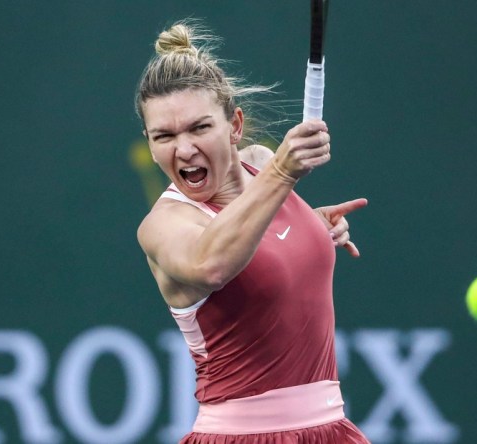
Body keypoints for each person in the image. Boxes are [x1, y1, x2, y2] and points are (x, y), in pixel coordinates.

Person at [135, 19, 370, 444]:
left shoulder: (259, 163)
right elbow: (211, 265)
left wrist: (311, 228)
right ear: (150, 145)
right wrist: (283, 173)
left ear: (236, 126)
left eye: (199, 127)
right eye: (164, 136)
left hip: (331, 431)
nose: (184, 149)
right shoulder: (163, 225)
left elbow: (264, 244)